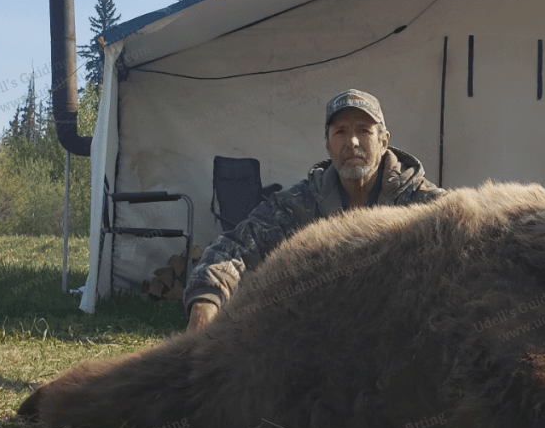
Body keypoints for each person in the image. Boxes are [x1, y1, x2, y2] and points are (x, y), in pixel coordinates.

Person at [184, 89, 445, 331]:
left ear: (384, 141)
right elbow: (237, 245)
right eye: (340, 132)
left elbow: (468, 231)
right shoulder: (301, 203)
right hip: (323, 333)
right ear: (328, 144)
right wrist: (206, 300)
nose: (352, 141)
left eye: (364, 130)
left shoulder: (420, 201)